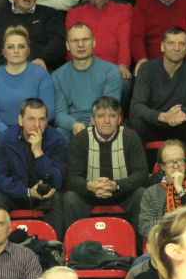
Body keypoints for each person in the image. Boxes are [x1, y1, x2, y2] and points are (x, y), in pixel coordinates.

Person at [61, 96, 148, 228]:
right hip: (90, 194)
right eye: (101, 116)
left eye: (112, 116)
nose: (107, 121)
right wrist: (90, 186)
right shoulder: (81, 139)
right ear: (92, 120)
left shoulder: (130, 137)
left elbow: (141, 174)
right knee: (70, 198)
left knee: (141, 194)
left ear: (119, 119)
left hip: (122, 194)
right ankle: (75, 241)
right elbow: (72, 178)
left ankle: (141, 241)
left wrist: (116, 185)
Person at [0, 98, 69, 236]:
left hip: (44, 197)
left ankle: (54, 245)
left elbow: (57, 181)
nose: (37, 125)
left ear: (47, 121)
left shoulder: (56, 140)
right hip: (16, 195)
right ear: (21, 120)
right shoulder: (6, 139)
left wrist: (39, 153)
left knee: (57, 198)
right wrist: (26, 192)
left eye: (41, 119)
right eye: (31, 119)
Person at [0, 26, 56, 161]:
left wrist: (29, 130)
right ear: (3, 52)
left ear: (28, 51)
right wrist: (9, 133)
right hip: (3, 130)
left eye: (21, 46)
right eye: (10, 47)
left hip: (36, 129)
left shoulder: (42, 75)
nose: (16, 51)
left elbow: (50, 111)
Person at [129, 27, 186, 151]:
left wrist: (181, 113)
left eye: (181, 44)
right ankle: (139, 164)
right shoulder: (147, 69)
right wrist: (163, 116)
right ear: (162, 47)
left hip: (181, 125)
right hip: (155, 124)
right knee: (136, 122)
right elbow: (136, 106)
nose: (176, 48)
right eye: (171, 43)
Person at [52, 23, 123, 136]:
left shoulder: (111, 71)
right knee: (59, 135)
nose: (80, 45)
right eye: (75, 41)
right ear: (67, 45)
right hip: (72, 127)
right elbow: (59, 113)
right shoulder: (57, 76)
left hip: (102, 124)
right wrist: (74, 125)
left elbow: (110, 110)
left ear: (93, 42)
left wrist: (90, 128)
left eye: (85, 39)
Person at [137, 139, 186, 239]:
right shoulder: (150, 193)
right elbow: (145, 228)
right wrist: (183, 217)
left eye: (180, 160)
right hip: (164, 243)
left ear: (185, 162)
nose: (176, 166)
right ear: (162, 166)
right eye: (170, 162)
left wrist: (180, 189)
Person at [67, 0, 133, 79]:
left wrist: (123, 65)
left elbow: (124, 41)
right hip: (83, 68)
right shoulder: (74, 12)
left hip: (114, 69)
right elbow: (72, 46)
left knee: (123, 82)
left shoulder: (124, 9)